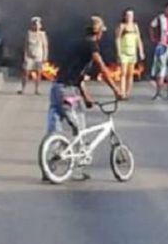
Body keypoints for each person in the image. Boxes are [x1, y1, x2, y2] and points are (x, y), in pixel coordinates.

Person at [45, 16, 124, 180]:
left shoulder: (76, 44)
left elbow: (76, 74)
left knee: (55, 129)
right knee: (80, 127)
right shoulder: (91, 45)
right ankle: (77, 169)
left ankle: (49, 166)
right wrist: (116, 90)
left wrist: (87, 97)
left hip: (56, 89)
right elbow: (101, 67)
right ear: (98, 32)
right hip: (68, 91)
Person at [115, 9, 143, 100]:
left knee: (130, 74)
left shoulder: (135, 26)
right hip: (124, 53)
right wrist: (118, 52)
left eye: (131, 15)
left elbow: (138, 39)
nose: (129, 17)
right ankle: (122, 92)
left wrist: (141, 51)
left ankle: (127, 93)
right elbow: (117, 39)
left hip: (132, 53)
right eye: (128, 15)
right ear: (124, 16)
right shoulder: (122, 26)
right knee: (123, 73)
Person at [20, 16, 49, 95]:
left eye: (38, 24)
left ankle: (37, 89)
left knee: (38, 73)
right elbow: (26, 46)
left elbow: (45, 46)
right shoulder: (29, 34)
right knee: (25, 73)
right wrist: (25, 56)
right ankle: (23, 89)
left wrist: (45, 57)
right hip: (29, 57)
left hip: (39, 57)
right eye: (35, 24)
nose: (36, 26)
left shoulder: (42, 34)